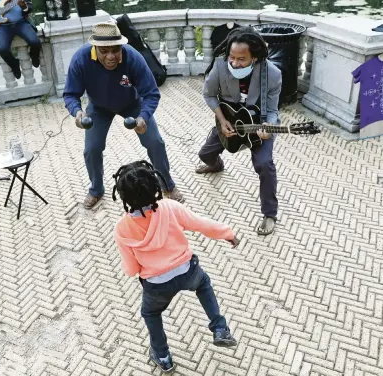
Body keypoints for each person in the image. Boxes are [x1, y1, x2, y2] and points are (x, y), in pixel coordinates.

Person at [112, 160, 239, 372]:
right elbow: (201, 224)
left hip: (156, 284)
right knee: (203, 284)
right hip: (187, 270)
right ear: (155, 187)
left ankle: (163, 357)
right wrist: (227, 233)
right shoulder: (169, 207)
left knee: (151, 314)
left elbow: (131, 269)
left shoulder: (122, 228)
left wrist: (136, 270)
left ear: (123, 196)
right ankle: (220, 329)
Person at [63, 21, 184, 209]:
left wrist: (143, 117)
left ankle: (167, 184)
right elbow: (70, 94)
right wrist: (77, 112)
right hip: (99, 107)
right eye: (104, 52)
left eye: (115, 50)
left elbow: (151, 93)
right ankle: (96, 189)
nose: (111, 56)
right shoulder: (81, 59)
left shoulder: (133, 57)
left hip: (132, 105)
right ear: (95, 48)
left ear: (121, 46)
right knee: (91, 149)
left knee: (155, 142)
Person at [196, 27, 282, 235]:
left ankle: (269, 214)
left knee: (265, 165)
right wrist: (222, 119)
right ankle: (216, 165)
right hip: (229, 122)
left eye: (242, 59)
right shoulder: (220, 66)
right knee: (204, 154)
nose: (235, 63)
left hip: (258, 126)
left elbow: (272, 111)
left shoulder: (272, 74)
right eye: (232, 57)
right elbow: (209, 95)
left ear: (255, 57)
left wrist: (268, 129)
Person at [0, 0, 41, 79]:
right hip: (2, 26)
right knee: (2, 49)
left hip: (21, 23)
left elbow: (29, 8)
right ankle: (14, 64)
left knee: (35, 42)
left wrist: (24, 7)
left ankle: (34, 55)